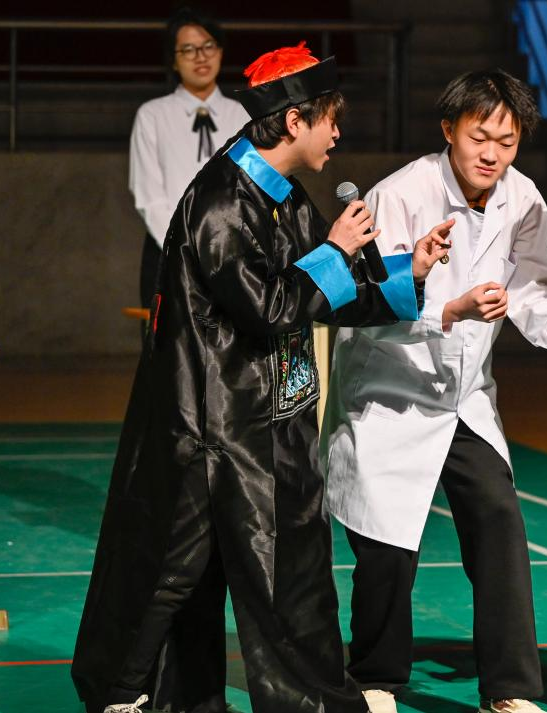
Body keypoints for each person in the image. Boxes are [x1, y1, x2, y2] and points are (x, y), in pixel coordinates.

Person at [72, 42, 453, 713]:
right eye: (330, 120)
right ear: (294, 121)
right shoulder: (221, 202)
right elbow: (270, 306)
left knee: (291, 576)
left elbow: (323, 294)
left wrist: (408, 271)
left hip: (273, 420)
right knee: (176, 571)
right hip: (214, 425)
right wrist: (334, 251)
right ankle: (126, 693)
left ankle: (309, 700)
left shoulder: (283, 196)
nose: (338, 134)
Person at [320, 70, 547, 713]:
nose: (491, 154)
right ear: (448, 130)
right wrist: (448, 310)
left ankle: (509, 691)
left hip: (464, 397)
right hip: (389, 392)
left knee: (498, 524)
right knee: (387, 547)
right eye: (478, 137)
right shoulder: (399, 195)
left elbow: (533, 289)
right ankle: (375, 677)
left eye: (506, 142)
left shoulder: (525, 198)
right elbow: (366, 303)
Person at [129, 6, 250, 313]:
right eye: (188, 49)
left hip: (232, 255)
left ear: (220, 51)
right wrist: (188, 250)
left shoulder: (242, 115)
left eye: (208, 46)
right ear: (173, 59)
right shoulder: (152, 115)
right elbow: (148, 197)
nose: (201, 57)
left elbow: (249, 190)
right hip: (167, 251)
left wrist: (226, 249)